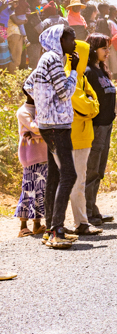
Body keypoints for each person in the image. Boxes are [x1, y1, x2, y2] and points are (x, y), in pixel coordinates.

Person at [67, 36, 101, 236]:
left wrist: (91, 104)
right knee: (77, 182)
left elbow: (93, 102)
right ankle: (80, 223)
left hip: (84, 135)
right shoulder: (69, 76)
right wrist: (92, 104)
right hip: (74, 138)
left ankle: (81, 221)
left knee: (79, 181)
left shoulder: (82, 78)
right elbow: (86, 105)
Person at [83, 34, 117, 227]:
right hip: (95, 127)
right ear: (93, 49)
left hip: (106, 126)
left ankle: (92, 207)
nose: (107, 51)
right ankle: (87, 212)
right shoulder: (89, 72)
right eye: (104, 48)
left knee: (100, 170)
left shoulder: (102, 70)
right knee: (92, 170)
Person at [15, 96, 48, 237]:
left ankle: (37, 224)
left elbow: (38, 130)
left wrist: (34, 134)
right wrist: (43, 131)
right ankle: (23, 226)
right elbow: (37, 128)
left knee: (41, 190)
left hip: (44, 154)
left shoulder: (40, 109)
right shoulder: (23, 111)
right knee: (28, 189)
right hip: (30, 155)